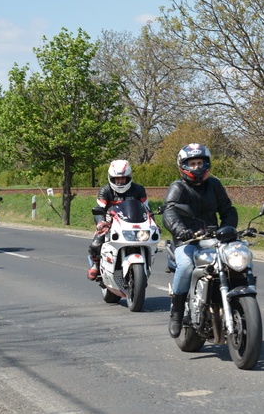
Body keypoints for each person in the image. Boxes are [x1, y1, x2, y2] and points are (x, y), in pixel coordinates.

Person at [162, 143, 237, 338]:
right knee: (186, 266)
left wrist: (228, 228)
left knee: (236, 262)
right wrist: (181, 230)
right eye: (192, 163)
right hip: (187, 242)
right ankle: (177, 312)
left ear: (206, 164)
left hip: (213, 240)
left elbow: (228, 210)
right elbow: (170, 212)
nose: (197, 167)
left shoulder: (214, 185)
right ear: (183, 166)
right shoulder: (178, 187)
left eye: (200, 163)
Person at [86, 159, 149, 281]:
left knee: (149, 242)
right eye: (117, 179)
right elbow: (100, 209)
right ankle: (96, 265)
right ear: (111, 178)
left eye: (123, 178)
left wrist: (154, 224)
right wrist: (101, 222)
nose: (120, 182)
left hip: (134, 222)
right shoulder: (105, 190)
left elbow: (147, 209)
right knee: (96, 244)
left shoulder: (138, 189)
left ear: (128, 177)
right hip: (110, 222)